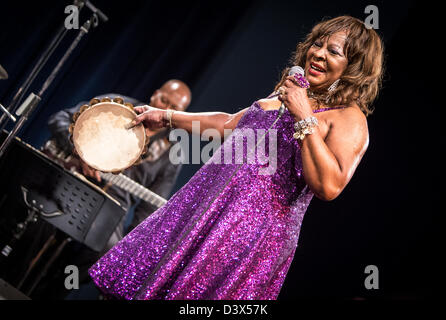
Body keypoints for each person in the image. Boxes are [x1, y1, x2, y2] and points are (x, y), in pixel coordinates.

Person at [88, 16, 384, 300]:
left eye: (332, 51)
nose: (317, 53)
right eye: (316, 44)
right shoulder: (291, 92)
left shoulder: (350, 118)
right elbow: (230, 124)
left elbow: (329, 186)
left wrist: (304, 115)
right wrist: (166, 117)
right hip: (206, 208)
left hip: (247, 235)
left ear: (354, 67)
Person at [47, 79, 192, 245]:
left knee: (106, 251)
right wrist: (79, 150)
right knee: (44, 219)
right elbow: (60, 119)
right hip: (74, 179)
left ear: (181, 115)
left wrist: (129, 246)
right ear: (155, 94)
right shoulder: (116, 105)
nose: (164, 110)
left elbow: (149, 209)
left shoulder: (171, 154)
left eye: (174, 108)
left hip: (112, 209)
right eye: (164, 101)